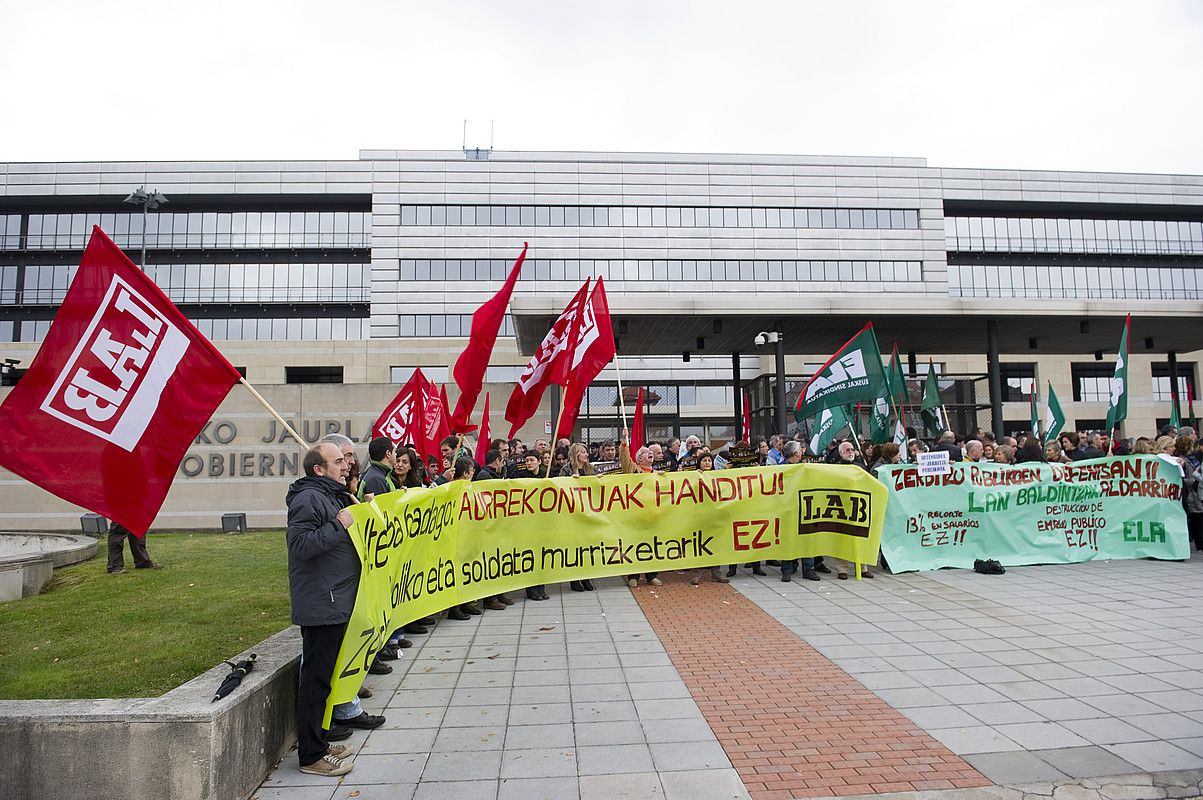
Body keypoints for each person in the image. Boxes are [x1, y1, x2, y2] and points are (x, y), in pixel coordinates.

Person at [286, 443, 385, 778]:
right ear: (319, 468)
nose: (347, 465)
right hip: (321, 604)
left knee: (325, 680)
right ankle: (311, 756)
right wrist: (338, 525)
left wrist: (369, 509)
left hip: (336, 600)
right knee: (315, 681)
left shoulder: (334, 495)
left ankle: (319, 740)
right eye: (339, 461)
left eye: (346, 460)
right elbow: (300, 547)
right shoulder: (308, 499)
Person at [474, 449, 515, 608]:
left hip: (498, 524)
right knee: (491, 562)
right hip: (489, 526)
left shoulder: (495, 474)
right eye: (502, 461)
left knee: (499, 561)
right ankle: (490, 599)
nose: (503, 464)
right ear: (497, 460)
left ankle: (500, 593)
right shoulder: (484, 476)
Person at [779, 442, 821, 582]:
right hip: (789, 510)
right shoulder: (781, 469)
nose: (802, 452)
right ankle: (787, 570)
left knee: (807, 539)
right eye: (800, 451)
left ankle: (808, 569)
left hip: (806, 508)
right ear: (797, 454)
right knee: (788, 540)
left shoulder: (806, 467)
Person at [561, 443, 599, 592]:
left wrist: (599, 480)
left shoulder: (591, 469)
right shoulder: (566, 470)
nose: (586, 455)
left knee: (587, 548)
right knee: (575, 547)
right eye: (583, 452)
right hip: (573, 515)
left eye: (586, 452)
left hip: (588, 513)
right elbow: (560, 488)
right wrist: (570, 481)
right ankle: (574, 579)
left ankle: (586, 577)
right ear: (575, 454)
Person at [690, 453, 730, 585]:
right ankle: (698, 572)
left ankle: (716, 572)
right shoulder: (693, 476)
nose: (707, 463)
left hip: (714, 514)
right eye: (704, 461)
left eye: (709, 461)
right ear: (699, 463)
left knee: (715, 543)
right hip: (699, 514)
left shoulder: (717, 476)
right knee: (699, 543)